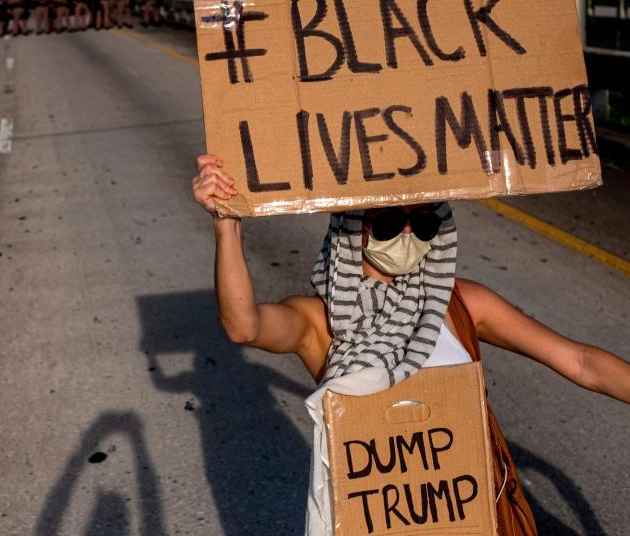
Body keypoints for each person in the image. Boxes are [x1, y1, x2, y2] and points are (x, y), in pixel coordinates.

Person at [191, 154, 630, 535]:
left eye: (421, 221)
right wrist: (227, 229)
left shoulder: (460, 303)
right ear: (351, 226)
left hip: (474, 519)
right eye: (385, 222)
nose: (406, 235)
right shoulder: (320, 322)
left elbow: (579, 361)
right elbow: (243, 327)